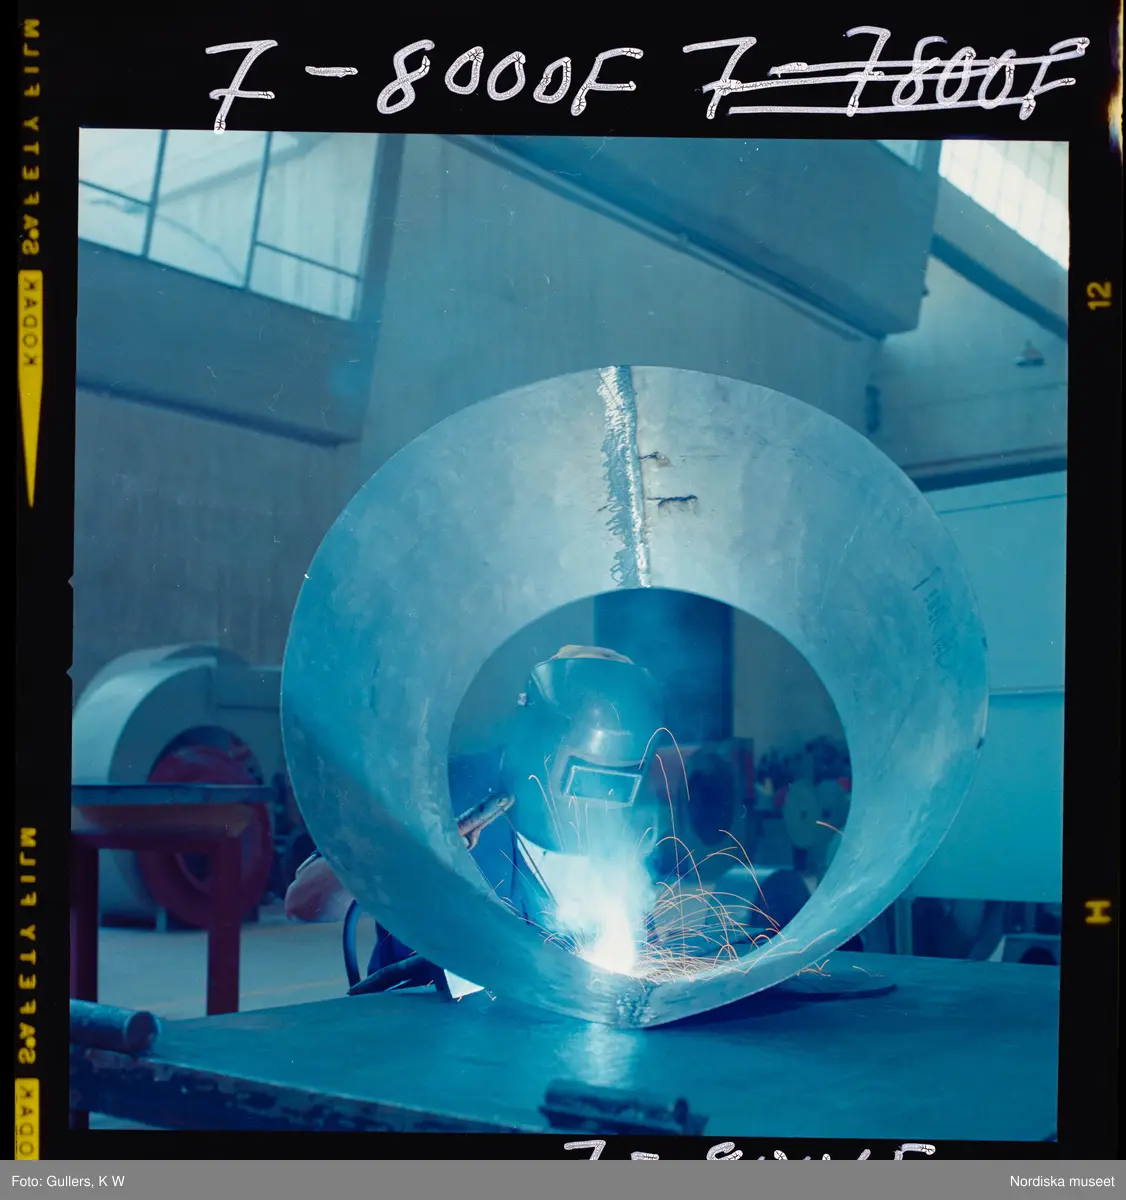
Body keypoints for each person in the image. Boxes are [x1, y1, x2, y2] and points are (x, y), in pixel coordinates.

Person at [284, 645, 637, 989]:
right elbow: (305, 903)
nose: (591, 801)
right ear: (538, 736)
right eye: (579, 774)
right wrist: (406, 846)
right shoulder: (434, 790)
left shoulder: (620, 818)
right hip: (419, 1014)